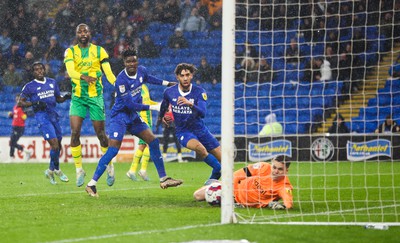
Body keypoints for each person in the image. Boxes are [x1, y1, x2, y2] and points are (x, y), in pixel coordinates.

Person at [85, 49, 183, 197]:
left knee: (153, 141)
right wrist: (154, 106)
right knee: (113, 150)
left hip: (133, 116)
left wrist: (167, 83)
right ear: (124, 63)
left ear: (137, 61)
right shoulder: (121, 81)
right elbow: (130, 105)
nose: (132, 64)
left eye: (134, 61)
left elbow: (149, 78)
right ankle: (91, 184)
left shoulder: (141, 71)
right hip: (120, 116)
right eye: (128, 61)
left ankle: (164, 178)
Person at [64, 23, 117, 187]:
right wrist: (84, 77)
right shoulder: (70, 51)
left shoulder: (100, 51)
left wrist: (119, 86)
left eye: (85, 30)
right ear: (76, 34)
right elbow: (71, 72)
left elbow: (108, 73)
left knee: (101, 135)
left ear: (90, 33)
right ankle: (79, 170)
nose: (83, 33)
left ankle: (110, 166)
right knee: (74, 133)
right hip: (78, 96)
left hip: (95, 97)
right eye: (79, 31)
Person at [159, 63, 221, 183]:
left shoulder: (199, 92)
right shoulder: (169, 92)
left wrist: (190, 104)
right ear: (177, 77)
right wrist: (162, 117)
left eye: (188, 75)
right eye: (182, 75)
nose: (185, 78)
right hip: (184, 131)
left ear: (192, 75)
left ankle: (213, 180)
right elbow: (164, 106)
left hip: (201, 130)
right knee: (200, 148)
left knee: (225, 159)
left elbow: (203, 113)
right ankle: (218, 169)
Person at [18, 62, 71, 184]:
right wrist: (34, 103)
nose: (39, 71)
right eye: (36, 70)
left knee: (59, 144)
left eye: (41, 69)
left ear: (44, 70)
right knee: (54, 144)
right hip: (42, 118)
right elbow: (20, 103)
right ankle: (57, 170)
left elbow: (58, 99)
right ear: (33, 72)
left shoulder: (52, 82)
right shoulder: (29, 87)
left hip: (53, 116)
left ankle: (50, 170)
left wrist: (65, 97)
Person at [193, 155, 293, 209]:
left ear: (286, 171)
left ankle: (216, 186)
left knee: (202, 196)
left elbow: (289, 202)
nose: (275, 171)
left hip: (239, 202)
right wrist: (228, 186)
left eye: (280, 169)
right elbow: (238, 174)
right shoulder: (263, 166)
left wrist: (283, 206)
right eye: (274, 167)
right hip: (233, 189)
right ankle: (217, 184)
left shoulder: (284, 186)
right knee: (197, 195)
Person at [126, 83, 158, 181]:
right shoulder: (135, 88)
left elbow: (147, 101)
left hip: (148, 118)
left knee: (143, 145)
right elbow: (140, 104)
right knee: (149, 144)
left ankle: (132, 170)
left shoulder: (144, 87)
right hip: (143, 119)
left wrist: (158, 105)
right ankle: (142, 170)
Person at [8, 94, 30, 160]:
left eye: (19, 99)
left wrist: (24, 115)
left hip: (20, 128)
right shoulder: (15, 107)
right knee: (12, 142)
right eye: (17, 99)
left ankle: (11, 157)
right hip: (14, 126)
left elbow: (25, 117)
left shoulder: (23, 108)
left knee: (12, 142)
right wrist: (11, 115)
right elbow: (15, 116)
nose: (17, 100)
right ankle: (26, 152)